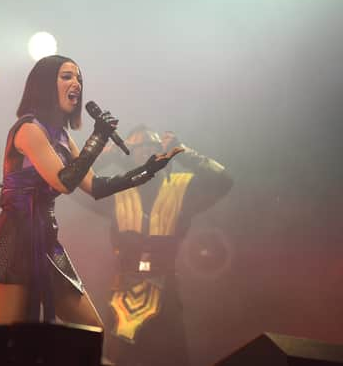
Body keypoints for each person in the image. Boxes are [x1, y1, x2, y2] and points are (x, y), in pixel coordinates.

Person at [0, 55, 182, 328]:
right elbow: (63, 182)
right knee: (12, 343)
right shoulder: (29, 129)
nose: (77, 84)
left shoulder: (62, 137)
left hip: (46, 239)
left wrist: (147, 170)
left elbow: (95, 186)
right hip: (17, 239)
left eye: (79, 78)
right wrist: (98, 137)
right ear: (46, 84)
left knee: (92, 330)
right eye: (67, 76)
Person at [87, 125, 233, 366]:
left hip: (165, 288)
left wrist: (183, 152)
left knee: (169, 358)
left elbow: (224, 180)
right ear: (127, 155)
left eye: (152, 146)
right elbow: (71, 183)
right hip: (121, 291)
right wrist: (106, 157)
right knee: (118, 359)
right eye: (138, 147)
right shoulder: (116, 189)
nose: (146, 151)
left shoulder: (181, 187)